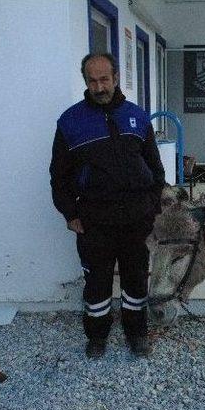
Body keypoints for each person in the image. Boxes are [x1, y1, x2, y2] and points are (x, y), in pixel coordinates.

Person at [49, 53, 165, 358]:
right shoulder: (70, 122)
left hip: (137, 220)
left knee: (136, 280)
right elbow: (58, 176)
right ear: (86, 81)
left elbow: (156, 169)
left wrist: (153, 206)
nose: (99, 86)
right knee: (97, 285)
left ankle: (136, 333)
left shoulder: (138, 118)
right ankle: (97, 336)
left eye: (104, 79)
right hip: (94, 221)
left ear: (115, 78)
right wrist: (70, 213)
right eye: (92, 80)